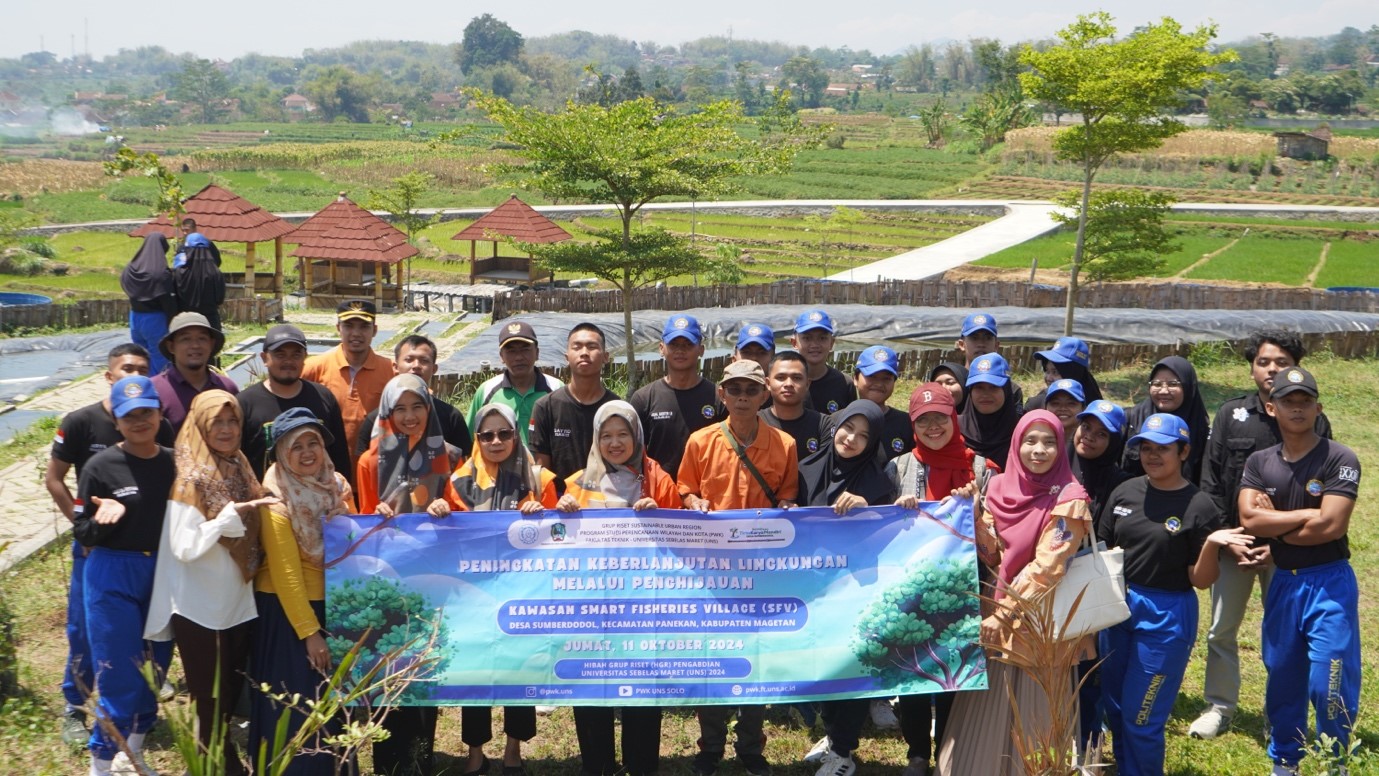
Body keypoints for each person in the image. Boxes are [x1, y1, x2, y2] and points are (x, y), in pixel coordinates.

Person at [1189, 331, 1331, 741]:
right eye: (1264, 362)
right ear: (1252, 367)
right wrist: (1222, 537)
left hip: (1288, 550)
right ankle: (1219, 706)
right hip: (1234, 541)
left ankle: (1282, 714)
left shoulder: (1314, 418)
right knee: (1220, 629)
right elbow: (1212, 480)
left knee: (1285, 633)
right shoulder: (1231, 414)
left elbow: (1321, 489)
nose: (1272, 369)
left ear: (1297, 366)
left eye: (1282, 361)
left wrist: (1276, 544)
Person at [937, 410, 1091, 775]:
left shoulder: (1070, 497)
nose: (1039, 450)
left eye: (1049, 442)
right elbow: (993, 555)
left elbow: (1048, 568)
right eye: (1030, 441)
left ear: (1061, 446)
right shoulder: (999, 487)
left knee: (1033, 710)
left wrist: (1003, 614)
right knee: (989, 706)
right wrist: (975, 516)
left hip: (1040, 619)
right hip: (996, 611)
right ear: (1016, 444)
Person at [1098, 413, 1250, 776]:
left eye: (1162, 448)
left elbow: (1201, 580)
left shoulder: (1199, 506)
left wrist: (1212, 543)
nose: (1152, 455)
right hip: (1118, 605)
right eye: (1145, 448)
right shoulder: (1125, 491)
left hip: (1166, 613)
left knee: (1142, 715)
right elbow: (1104, 548)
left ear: (1184, 451)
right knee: (1115, 707)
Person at [44, 344, 175, 748]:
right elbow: (57, 483)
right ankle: (77, 707)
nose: (140, 421)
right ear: (109, 375)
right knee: (90, 637)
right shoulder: (83, 427)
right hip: (104, 561)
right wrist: (94, 528)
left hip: (157, 567)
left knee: (151, 650)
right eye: (125, 368)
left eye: (140, 368)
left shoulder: (169, 452)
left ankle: (134, 731)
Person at [145, 390, 277, 776]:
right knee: (209, 695)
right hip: (200, 608)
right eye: (216, 421)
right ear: (200, 425)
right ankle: (220, 763)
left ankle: (211, 761)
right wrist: (224, 520)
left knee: (230, 692)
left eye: (232, 420)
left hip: (237, 600)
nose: (226, 429)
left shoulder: (238, 466)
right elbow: (183, 546)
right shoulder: (190, 480)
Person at [1238, 367, 1361, 776]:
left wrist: (1279, 531)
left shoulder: (1340, 458)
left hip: (1329, 581)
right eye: (1288, 401)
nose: (1297, 408)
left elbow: (1331, 527)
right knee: (1282, 676)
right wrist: (1307, 513)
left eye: (1305, 401)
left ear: (1318, 407)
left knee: (1329, 679)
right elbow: (1249, 519)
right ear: (1271, 408)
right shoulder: (1259, 462)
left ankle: (1334, 762)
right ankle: (1285, 761)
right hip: (1282, 585)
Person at [679, 360, 797, 776]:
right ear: (721, 395)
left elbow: (787, 496)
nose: (743, 398)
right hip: (711, 571)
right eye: (735, 390)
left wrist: (785, 508)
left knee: (755, 657)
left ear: (765, 394)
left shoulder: (784, 444)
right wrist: (692, 502)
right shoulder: (700, 441)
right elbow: (685, 488)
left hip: (760, 570)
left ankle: (751, 745)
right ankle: (709, 746)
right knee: (714, 656)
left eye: (751, 390)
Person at [555, 401, 681, 776]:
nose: (614, 443)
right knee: (592, 683)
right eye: (605, 435)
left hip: (645, 606)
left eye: (622, 434)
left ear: (636, 436)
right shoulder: (576, 484)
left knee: (643, 686)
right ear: (595, 439)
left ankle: (641, 765)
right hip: (592, 606)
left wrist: (660, 511)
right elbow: (555, 547)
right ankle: (598, 765)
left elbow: (681, 536)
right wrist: (560, 510)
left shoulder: (658, 479)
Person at [356, 373, 463, 776]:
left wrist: (445, 508)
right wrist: (375, 515)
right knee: (388, 670)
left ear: (429, 408)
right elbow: (360, 527)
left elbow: (463, 512)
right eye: (399, 408)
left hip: (434, 582)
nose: (410, 415)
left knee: (425, 668)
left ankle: (422, 755)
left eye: (417, 406)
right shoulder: (370, 461)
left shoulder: (447, 457)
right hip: (386, 584)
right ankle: (388, 761)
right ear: (386, 412)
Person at [887, 384, 996, 776]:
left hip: (967, 590)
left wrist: (978, 511)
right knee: (915, 670)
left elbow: (995, 545)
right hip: (913, 590)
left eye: (940, 418)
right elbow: (883, 531)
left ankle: (949, 754)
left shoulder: (982, 469)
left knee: (956, 672)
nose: (933, 427)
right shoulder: (900, 468)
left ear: (954, 418)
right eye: (923, 420)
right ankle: (917, 753)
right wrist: (897, 511)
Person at [72, 375, 176, 776]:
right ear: (116, 420)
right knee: (119, 673)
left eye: (146, 412)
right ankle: (99, 766)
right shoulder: (100, 466)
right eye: (129, 415)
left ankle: (131, 756)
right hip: (113, 571)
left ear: (158, 413)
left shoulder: (173, 461)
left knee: (155, 667)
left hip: (162, 571)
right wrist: (103, 521)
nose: (139, 421)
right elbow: (81, 531)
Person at [449, 404, 557, 776]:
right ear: (476, 439)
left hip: (522, 592)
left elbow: (558, 531)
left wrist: (542, 512)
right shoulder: (457, 481)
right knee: (475, 669)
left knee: (518, 669)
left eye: (504, 434)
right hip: (473, 592)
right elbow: (446, 532)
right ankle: (475, 752)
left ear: (516, 435)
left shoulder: (539, 478)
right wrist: (436, 510)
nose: (496, 441)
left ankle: (514, 749)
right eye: (486, 435)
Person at [250, 408, 357, 775]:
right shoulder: (276, 498)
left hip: (334, 605)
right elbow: (285, 574)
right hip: (290, 617)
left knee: (332, 707)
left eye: (314, 442)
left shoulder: (336, 486)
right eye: (298, 445)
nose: (308, 452)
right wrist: (310, 634)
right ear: (281, 451)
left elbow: (356, 541)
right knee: (298, 709)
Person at [797, 401, 896, 776]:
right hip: (815, 587)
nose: (851, 439)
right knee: (824, 664)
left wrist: (868, 508)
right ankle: (831, 734)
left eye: (863, 435)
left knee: (852, 663)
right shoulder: (807, 468)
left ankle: (844, 752)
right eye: (847, 428)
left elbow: (894, 532)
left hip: (859, 590)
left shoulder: (878, 482)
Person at [1067, 400, 1131, 754]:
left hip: (1092, 584)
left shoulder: (1122, 484)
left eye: (1101, 433)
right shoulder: (1059, 466)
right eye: (1085, 428)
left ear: (1116, 441)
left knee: (1089, 671)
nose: (1089, 438)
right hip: (1054, 579)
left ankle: (1088, 747)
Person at [237, 323, 353, 485]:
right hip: (266, 503)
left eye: (296, 355)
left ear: (305, 357)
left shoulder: (323, 397)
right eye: (280, 355)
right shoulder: (245, 403)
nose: (288, 361)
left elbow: (339, 457)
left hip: (320, 502)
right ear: (264, 358)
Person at [301, 300, 393, 473]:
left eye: (364, 327)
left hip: (375, 471)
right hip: (324, 472)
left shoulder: (390, 370)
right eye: (349, 326)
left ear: (374, 330)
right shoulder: (314, 368)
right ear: (338, 328)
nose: (356, 333)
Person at [354, 335, 472, 459]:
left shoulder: (451, 417)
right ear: (395, 367)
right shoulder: (375, 420)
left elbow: (464, 468)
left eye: (424, 361)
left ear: (434, 369)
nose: (416, 365)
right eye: (409, 359)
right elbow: (364, 467)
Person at [528, 323, 620, 482]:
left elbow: (625, 466)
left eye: (592, 347)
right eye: (577, 347)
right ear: (566, 357)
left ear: (605, 357)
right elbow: (542, 472)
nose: (584, 353)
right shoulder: (546, 407)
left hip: (605, 500)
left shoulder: (617, 407)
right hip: (560, 502)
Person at [631, 315, 718, 481]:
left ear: (701, 349)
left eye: (688, 344)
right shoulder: (643, 399)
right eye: (674, 344)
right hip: (659, 496)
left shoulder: (718, 397)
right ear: (661, 348)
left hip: (705, 496)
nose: (680, 350)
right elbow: (634, 455)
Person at [466, 320, 563, 446]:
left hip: (544, 466)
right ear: (501, 356)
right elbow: (469, 438)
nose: (519, 357)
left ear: (537, 353)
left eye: (525, 350)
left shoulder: (556, 389)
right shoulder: (486, 390)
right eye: (511, 351)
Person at [1121, 356, 1209, 485]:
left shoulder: (1202, 429)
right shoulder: (1131, 419)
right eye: (1156, 384)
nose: (1163, 391)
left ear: (1188, 387)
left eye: (1173, 384)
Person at [150, 311, 239, 434]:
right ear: (171, 347)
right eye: (185, 339)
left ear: (211, 344)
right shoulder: (155, 390)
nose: (195, 345)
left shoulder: (227, 388)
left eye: (202, 338)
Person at [120, 234, 177, 375]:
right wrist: (173, 322)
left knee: (140, 357)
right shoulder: (160, 273)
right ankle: (159, 389)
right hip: (156, 319)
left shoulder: (130, 269)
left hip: (135, 317)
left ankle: (141, 385)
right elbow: (167, 300)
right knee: (160, 357)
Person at [958, 353, 1022, 469]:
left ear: (1006, 391)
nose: (985, 394)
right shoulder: (953, 430)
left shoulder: (1022, 434)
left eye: (994, 387)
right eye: (979, 387)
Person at [759, 351, 827, 460]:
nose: (789, 384)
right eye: (781, 377)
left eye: (797, 378)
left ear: (807, 384)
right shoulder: (755, 422)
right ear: (768, 383)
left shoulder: (823, 425)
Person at [853, 345, 913, 461]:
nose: (879, 384)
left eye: (886, 379)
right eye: (871, 376)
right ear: (855, 378)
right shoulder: (838, 420)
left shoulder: (907, 424)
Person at [791, 309, 855, 414]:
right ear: (794, 343)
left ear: (832, 343)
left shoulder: (844, 383)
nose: (815, 345)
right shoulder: (784, 381)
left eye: (822, 338)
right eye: (807, 338)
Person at [955, 312, 1023, 407]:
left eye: (987, 338)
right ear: (962, 345)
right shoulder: (954, 387)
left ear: (996, 345)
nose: (981, 344)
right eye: (974, 338)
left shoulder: (1011, 390)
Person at [1024, 337, 1103, 411]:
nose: (1048, 378)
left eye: (1055, 372)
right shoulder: (1036, 406)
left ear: (1074, 373)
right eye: (1047, 371)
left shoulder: (1096, 410)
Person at [174, 230, 227, 332]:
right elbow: (220, 299)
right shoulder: (216, 274)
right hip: (210, 324)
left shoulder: (179, 273)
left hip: (185, 324)